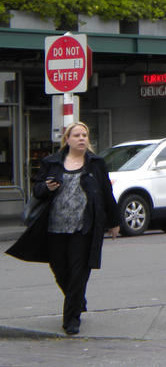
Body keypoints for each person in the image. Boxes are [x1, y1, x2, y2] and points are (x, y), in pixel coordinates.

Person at [6, 122, 120, 336]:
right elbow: (37, 190)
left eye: (84, 135)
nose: (81, 139)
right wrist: (46, 187)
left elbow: (106, 193)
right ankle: (77, 300)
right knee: (60, 270)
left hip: (83, 228)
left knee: (78, 272)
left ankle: (71, 320)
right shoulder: (52, 163)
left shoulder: (96, 163)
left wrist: (114, 222)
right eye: (76, 135)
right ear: (67, 139)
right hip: (54, 227)